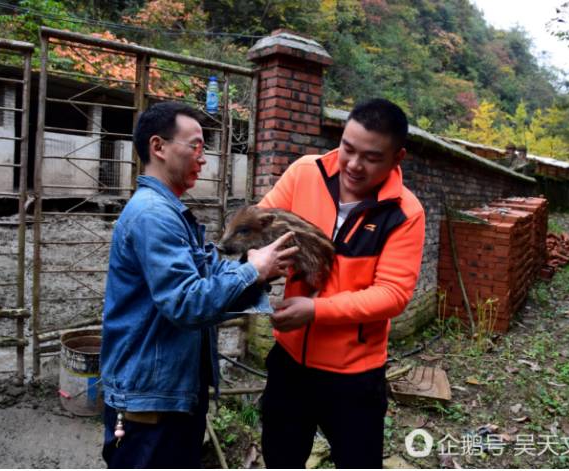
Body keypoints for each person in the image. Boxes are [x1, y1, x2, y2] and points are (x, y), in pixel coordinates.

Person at [100, 101, 297, 468]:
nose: (202, 157)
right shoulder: (153, 216)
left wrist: (260, 273)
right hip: (149, 403)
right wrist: (251, 272)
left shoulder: (172, 213)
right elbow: (187, 303)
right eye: (195, 146)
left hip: (169, 393)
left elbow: (207, 284)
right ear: (158, 147)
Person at [259, 98, 426, 468]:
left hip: (354, 376)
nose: (352, 164)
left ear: (397, 158)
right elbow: (263, 224)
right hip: (290, 364)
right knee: (280, 459)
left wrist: (315, 310)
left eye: (371, 157)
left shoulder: (404, 212)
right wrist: (259, 265)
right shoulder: (305, 173)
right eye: (347, 148)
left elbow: (392, 295)